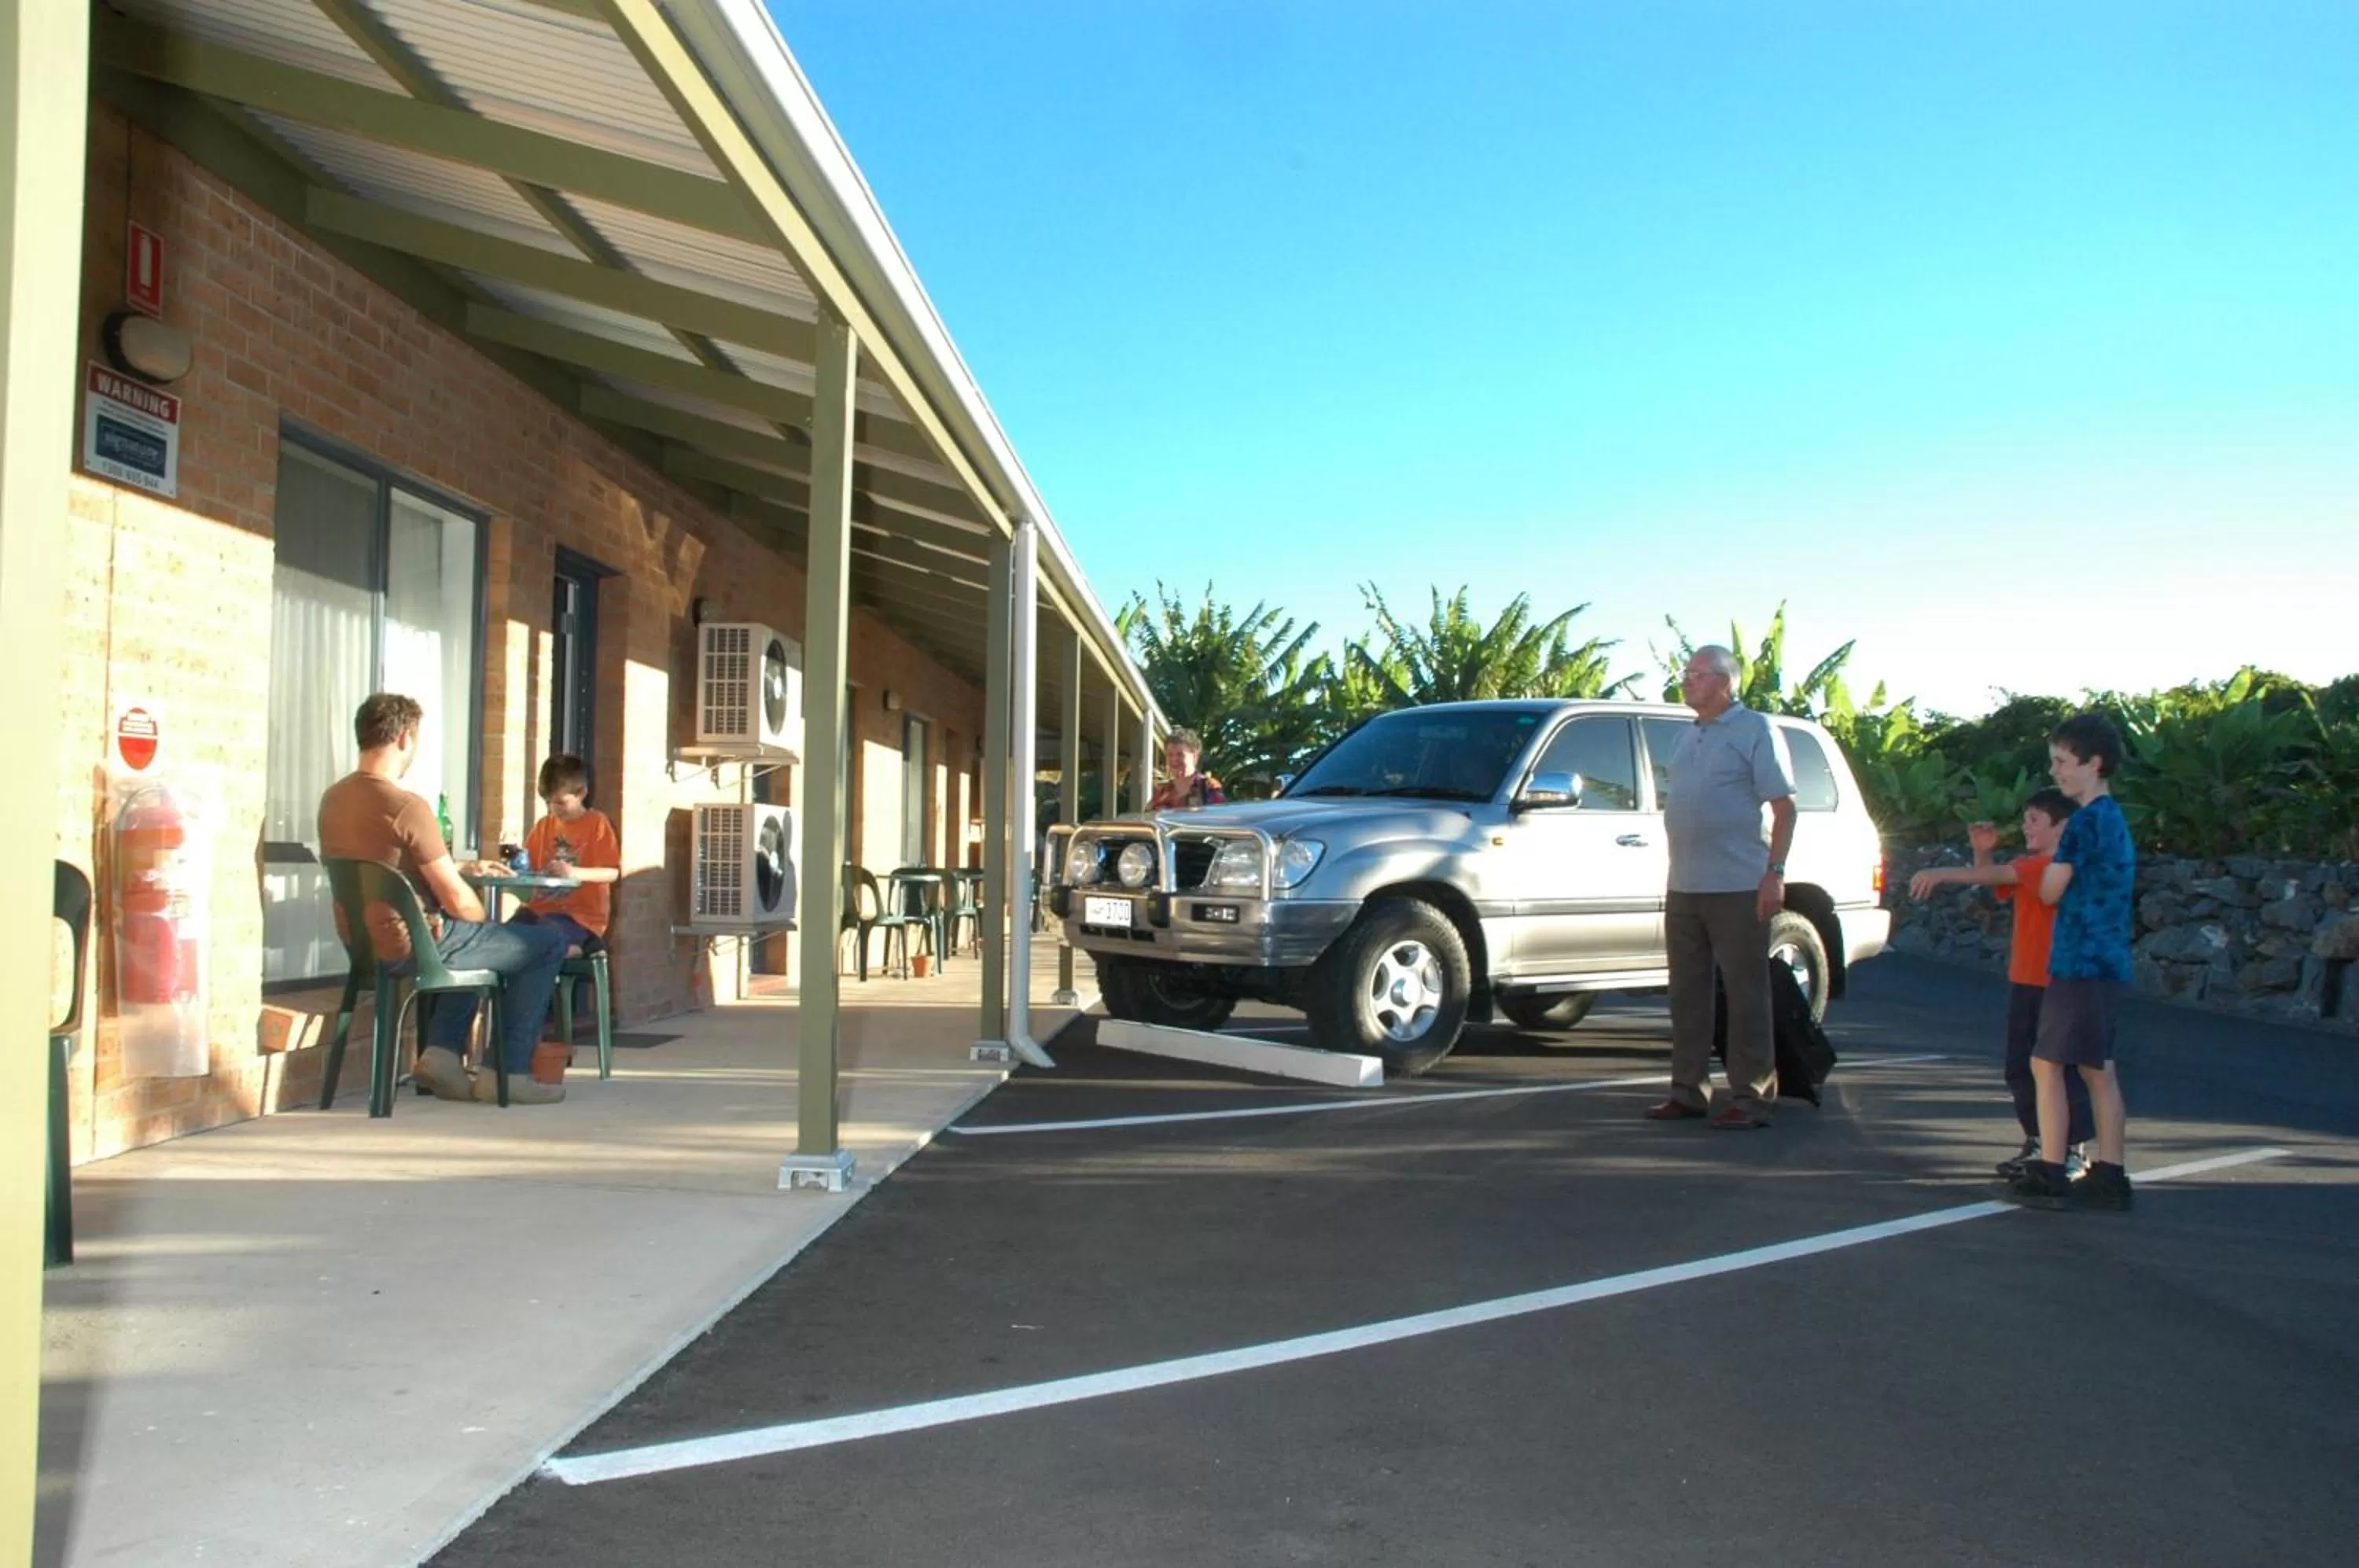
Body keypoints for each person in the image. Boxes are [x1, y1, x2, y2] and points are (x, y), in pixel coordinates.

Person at [317, 693, 569, 1106]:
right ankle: (506, 1074)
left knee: (479, 936)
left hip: (363, 946)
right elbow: (459, 902)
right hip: (414, 947)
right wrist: (471, 897)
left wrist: (466, 868)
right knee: (542, 943)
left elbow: (386, 860)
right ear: (404, 738)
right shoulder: (406, 805)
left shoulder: (334, 799)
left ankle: (442, 1056)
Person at [1644, 645, 1797, 1129]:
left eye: (1697, 674)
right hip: (1685, 885)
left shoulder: (1755, 729)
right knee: (1687, 994)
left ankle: (1752, 1097)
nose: (1686, 680)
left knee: (1745, 992)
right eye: (1685, 672)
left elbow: (1784, 808)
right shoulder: (1686, 736)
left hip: (1737, 885)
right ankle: (1688, 1091)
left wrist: (1774, 873)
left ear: (1725, 683)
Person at [1908, 790, 2093, 1178]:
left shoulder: (2055, 865)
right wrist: (1982, 852)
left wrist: (1939, 873)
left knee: (2060, 1068)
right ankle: (2040, 1141)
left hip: (2058, 983)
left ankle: (2072, 1148)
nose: (2027, 826)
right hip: (2026, 980)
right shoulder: (2029, 865)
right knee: (2020, 1067)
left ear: (2062, 826)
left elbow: (1997, 876)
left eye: (2036, 820)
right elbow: (1995, 882)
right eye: (2026, 819)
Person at [2005, 712, 2136, 1211]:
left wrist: (2055, 869)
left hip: (2080, 961)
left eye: (2063, 762)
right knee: (2096, 1067)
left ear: (2094, 763)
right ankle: (2110, 1170)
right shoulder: (2115, 819)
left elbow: (2051, 888)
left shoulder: (2084, 823)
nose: (2056, 772)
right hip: (2106, 960)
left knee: (2046, 1062)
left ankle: (2053, 1167)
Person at [511, 754, 620, 959]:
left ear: (581, 794)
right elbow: (528, 867)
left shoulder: (597, 823)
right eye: (549, 802)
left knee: (543, 940)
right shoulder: (544, 826)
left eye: (561, 802)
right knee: (504, 937)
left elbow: (612, 872)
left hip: (580, 917)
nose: (554, 809)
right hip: (539, 910)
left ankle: (587, 946)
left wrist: (574, 872)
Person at [1147, 728, 1226, 810]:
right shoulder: (1162, 793)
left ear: (1195, 756)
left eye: (1180, 755)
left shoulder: (1208, 788)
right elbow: (1146, 819)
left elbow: (1220, 818)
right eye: (1170, 755)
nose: (1174, 760)